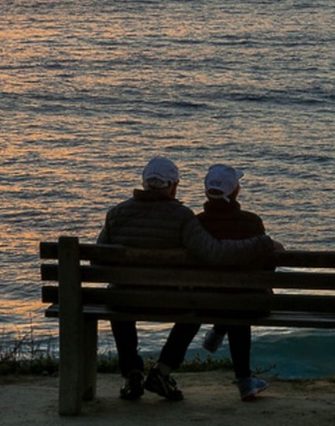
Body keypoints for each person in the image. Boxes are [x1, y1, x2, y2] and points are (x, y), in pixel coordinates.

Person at [97, 156, 276, 402]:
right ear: (173, 186)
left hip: (121, 299)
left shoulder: (116, 214)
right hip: (171, 301)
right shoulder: (182, 217)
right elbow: (214, 252)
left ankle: (132, 375)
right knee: (194, 305)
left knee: (120, 299)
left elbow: (98, 259)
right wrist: (263, 243)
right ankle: (162, 371)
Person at [195, 163, 272, 400]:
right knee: (240, 300)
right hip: (247, 302)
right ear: (235, 191)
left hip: (204, 301)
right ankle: (244, 380)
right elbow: (269, 269)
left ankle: (219, 329)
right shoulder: (251, 223)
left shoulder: (195, 225)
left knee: (230, 297)